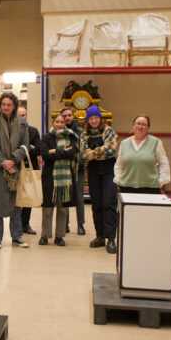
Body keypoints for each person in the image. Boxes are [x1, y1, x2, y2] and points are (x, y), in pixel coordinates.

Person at [0, 92, 30, 249]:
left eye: (8, 104)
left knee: (16, 203)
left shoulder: (23, 124)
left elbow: (25, 146)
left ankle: (17, 236)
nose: (5, 107)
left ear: (14, 106)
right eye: (3, 104)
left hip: (15, 168)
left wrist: (13, 160)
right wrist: (4, 162)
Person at [80, 105, 118, 254]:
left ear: (100, 118)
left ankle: (111, 239)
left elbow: (111, 150)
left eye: (96, 118)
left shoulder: (109, 131)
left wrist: (93, 151)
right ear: (88, 120)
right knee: (96, 204)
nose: (94, 120)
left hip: (109, 171)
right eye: (91, 118)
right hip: (94, 171)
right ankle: (100, 236)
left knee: (108, 203)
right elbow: (84, 155)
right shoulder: (84, 135)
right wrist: (101, 148)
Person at [39, 113, 79, 246]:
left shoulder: (71, 136)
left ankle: (59, 236)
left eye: (62, 122)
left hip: (66, 179)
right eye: (57, 122)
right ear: (53, 123)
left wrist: (53, 151)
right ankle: (45, 235)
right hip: (50, 177)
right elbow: (44, 154)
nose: (60, 124)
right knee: (48, 208)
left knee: (63, 209)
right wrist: (60, 151)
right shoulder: (46, 137)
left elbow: (71, 153)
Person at [114, 114, 171, 194]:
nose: (140, 126)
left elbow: (164, 163)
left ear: (148, 128)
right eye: (138, 123)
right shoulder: (124, 143)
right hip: (126, 188)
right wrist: (118, 179)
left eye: (144, 124)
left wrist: (161, 181)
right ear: (133, 125)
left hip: (150, 188)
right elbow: (119, 165)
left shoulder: (156, 142)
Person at [59, 106, 87, 236]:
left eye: (69, 115)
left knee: (79, 197)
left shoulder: (81, 132)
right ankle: (65, 224)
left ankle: (81, 225)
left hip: (78, 169)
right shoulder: (59, 132)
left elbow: (84, 150)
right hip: (63, 168)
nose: (67, 117)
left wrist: (78, 161)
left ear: (73, 116)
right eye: (64, 116)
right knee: (64, 196)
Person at [17, 106, 41, 236]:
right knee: (16, 197)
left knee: (28, 196)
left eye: (24, 115)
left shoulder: (33, 131)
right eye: (19, 115)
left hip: (30, 168)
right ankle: (16, 225)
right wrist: (29, 148)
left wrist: (26, 149)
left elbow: (39, 149)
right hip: (15, 168)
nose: (22, 117)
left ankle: (25, 224)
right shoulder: (12, 132)